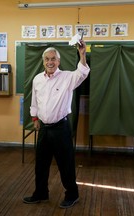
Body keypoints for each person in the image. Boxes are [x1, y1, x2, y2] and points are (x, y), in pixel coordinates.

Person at [22, 40, 90, 208]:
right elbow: (34, 101)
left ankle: (72, 195)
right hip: (44, 128)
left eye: (53, 59)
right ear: (43, 61)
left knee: (65, 164)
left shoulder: (68, 77)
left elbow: (82, 73)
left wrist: (82, 54)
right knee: (41, 164)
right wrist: (35, 119)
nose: (50, 62)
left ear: (58, 61)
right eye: (47, 59)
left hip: (61, 127)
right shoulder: (37, 79)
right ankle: (41, 193)